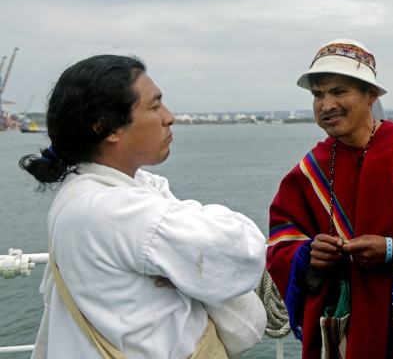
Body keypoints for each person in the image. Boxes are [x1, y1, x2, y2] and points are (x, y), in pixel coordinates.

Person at [19, 54, 267, 358]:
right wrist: (182, 266)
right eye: (154, 106)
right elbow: (242, 248)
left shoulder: (84, 193)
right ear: (107, 129)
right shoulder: (115, 210)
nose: (169, 116)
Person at [266, 38, 393, 359]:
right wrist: (309, 253)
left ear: (372, 95)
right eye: (318, 94)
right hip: (346, 333)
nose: (326, 105)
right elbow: (280, 246)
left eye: (339, 91)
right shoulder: (307, 172)